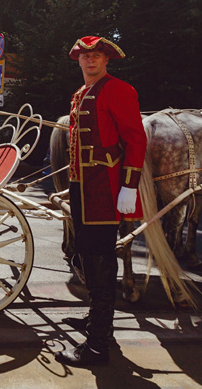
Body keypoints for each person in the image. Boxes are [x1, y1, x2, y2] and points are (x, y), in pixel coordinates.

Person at [55, 36, 147, 368]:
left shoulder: (119, 89)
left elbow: (136, 139)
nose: (90, 61)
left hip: (106, 188)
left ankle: (96, 347)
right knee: (86, 253)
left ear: (106, 60)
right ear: (78, 61)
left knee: (101, 258)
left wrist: (130, 186)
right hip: (82, 186)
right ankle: (98, 321)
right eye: (85, 56)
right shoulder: (80, 94)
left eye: (96, 56)